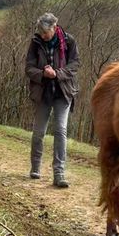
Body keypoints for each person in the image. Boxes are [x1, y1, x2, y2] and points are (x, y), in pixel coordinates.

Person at [25, 13, 80, 188]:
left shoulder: (69, 41)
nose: (43, 36)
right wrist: (43, 73)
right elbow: (29, 67)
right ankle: (35, 168)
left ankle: (59, 173)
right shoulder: (35, 43)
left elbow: (75, 64)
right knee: (38, 132)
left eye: (46, 33)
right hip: (43, 93)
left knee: (60, 130)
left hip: (63, 92)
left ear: (55, 28)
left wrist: (57, 73)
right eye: (41, 33)